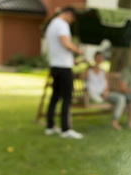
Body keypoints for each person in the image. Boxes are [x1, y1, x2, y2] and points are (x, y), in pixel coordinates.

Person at [45, 6, 83, 139]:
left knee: (55, 97)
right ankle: (65, 130)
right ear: (69, 15)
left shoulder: (52, 24)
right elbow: (66, 43)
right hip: (63, 67)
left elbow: (59, 49)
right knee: (67, 98)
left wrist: (71, 59)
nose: (71, 22)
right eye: (72, 19)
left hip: (55, 65)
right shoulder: (62, 25)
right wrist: (78, 50)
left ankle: (49, 127)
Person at [83, 51, 126, 131]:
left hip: (103, 94)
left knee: (121, 98)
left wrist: (105, 92)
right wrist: (88, 66)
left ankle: (114, 121)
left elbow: (107, 85)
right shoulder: (88, 70)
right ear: (94, 59)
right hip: (92, 94)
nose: (99, 60)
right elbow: (81, 77)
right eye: (97, 58)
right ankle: (101, 100)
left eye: (101, 58)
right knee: (96, 98)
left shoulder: (103, 72)